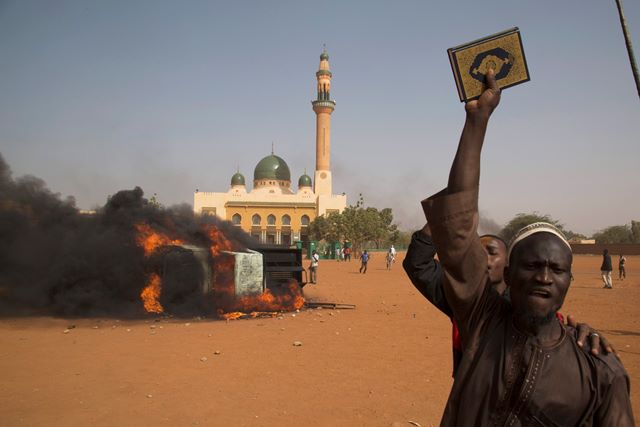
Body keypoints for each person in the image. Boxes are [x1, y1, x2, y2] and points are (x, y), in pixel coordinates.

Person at [419, 69, 634, 425]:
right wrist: (478, 120)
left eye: (556, 269)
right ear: (509, 272)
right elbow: (457, 226)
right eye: (532, 266)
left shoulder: (600, 369)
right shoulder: (482, 321)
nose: (544, 278)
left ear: (569, 281)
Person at [404, 226, 614, 376]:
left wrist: (583, 336)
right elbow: (418, 264)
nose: (481, 259)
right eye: (476, 253)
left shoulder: (534, 309)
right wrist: (442, 217)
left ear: (509, 267)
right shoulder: (463, 303)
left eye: (491, 252)